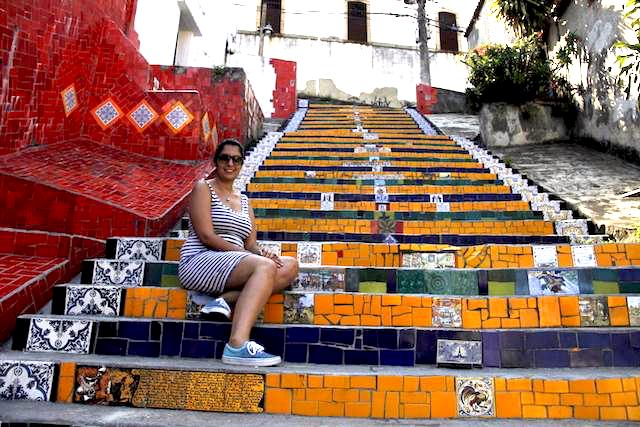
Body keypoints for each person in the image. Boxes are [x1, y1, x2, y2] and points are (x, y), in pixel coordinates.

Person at [178, 139, 299, 366]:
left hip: (238, 261)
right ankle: (236, 344)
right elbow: (207, 236)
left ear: (242, 164)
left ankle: (224, 300)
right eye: (225, 158)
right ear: (216, 161)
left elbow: (251, 244)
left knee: (290, 264)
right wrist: (252, 257)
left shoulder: (244, 201)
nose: (230, 163)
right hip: (200, 260)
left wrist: (263, 253)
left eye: (236, 159)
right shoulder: (203, 188)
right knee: (264, 267)